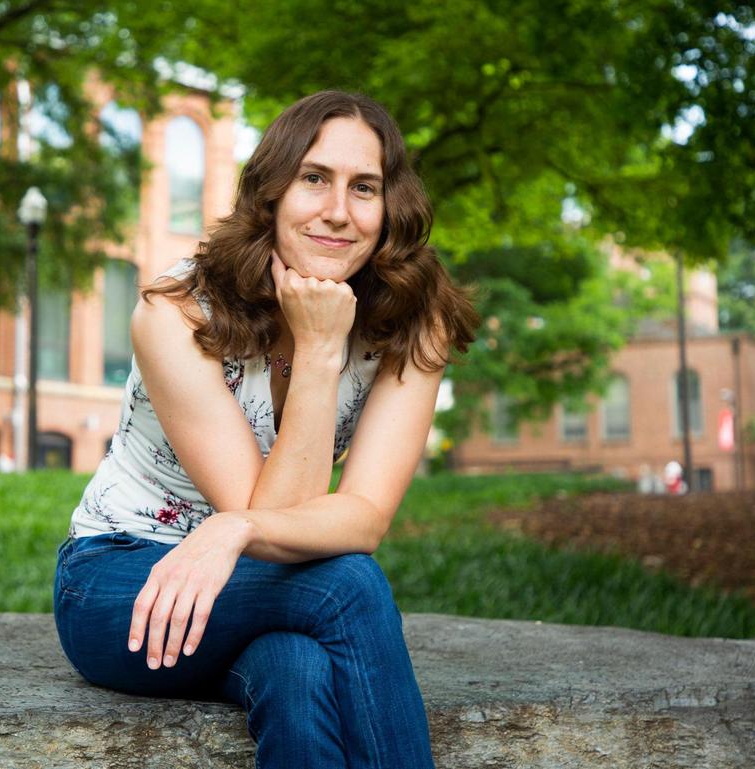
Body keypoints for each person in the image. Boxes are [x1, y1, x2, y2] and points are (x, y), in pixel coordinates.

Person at [53, 90, 478, 768]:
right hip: (127, 581)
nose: (338, 211)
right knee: (348, 585)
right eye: (315, 178)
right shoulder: (178, 313)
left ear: (389, 208)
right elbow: (290, 526)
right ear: (272, 191)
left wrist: (240, 526)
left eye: (364, 187)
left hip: (264, 586)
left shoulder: (413, 316)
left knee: (299, 668)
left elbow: (361, 518)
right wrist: (317, 352)